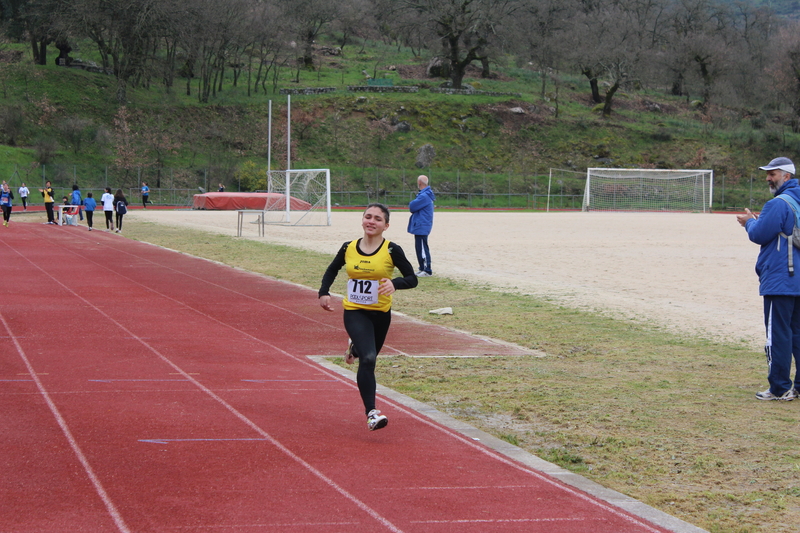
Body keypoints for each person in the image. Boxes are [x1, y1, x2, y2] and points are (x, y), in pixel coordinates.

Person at [318, 203, 418, 430]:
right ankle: (371, 413)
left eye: (377, 219)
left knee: (368, 355)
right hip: (355, 311)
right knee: (369, 358)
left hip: (381, 314)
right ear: (362, 220)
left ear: (386, 226)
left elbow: (412, 278)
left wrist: (395, 283)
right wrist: (324, 292)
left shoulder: (392, 250)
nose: (371, 222)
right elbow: (332, 269)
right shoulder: (348, 247)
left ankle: (354, 347)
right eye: (368, 217)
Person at [737, 156, 800, 401]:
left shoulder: (777, 204)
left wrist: (749, 222)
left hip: (781, 280)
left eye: (773, 174)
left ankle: (779, 387)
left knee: (778, 335)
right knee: (797, 333)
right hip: (797, 281)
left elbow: (760, 235)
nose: (768, 178)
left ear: (786, 176)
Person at [407, 174, 435, 277]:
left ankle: (427, 270)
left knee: (423, 248)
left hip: (422, 225)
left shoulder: (424, 196)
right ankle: (422, 268)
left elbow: (412, 206)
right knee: (419, 247)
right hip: (420, 224)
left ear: (419, 183)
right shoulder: (425, 194)